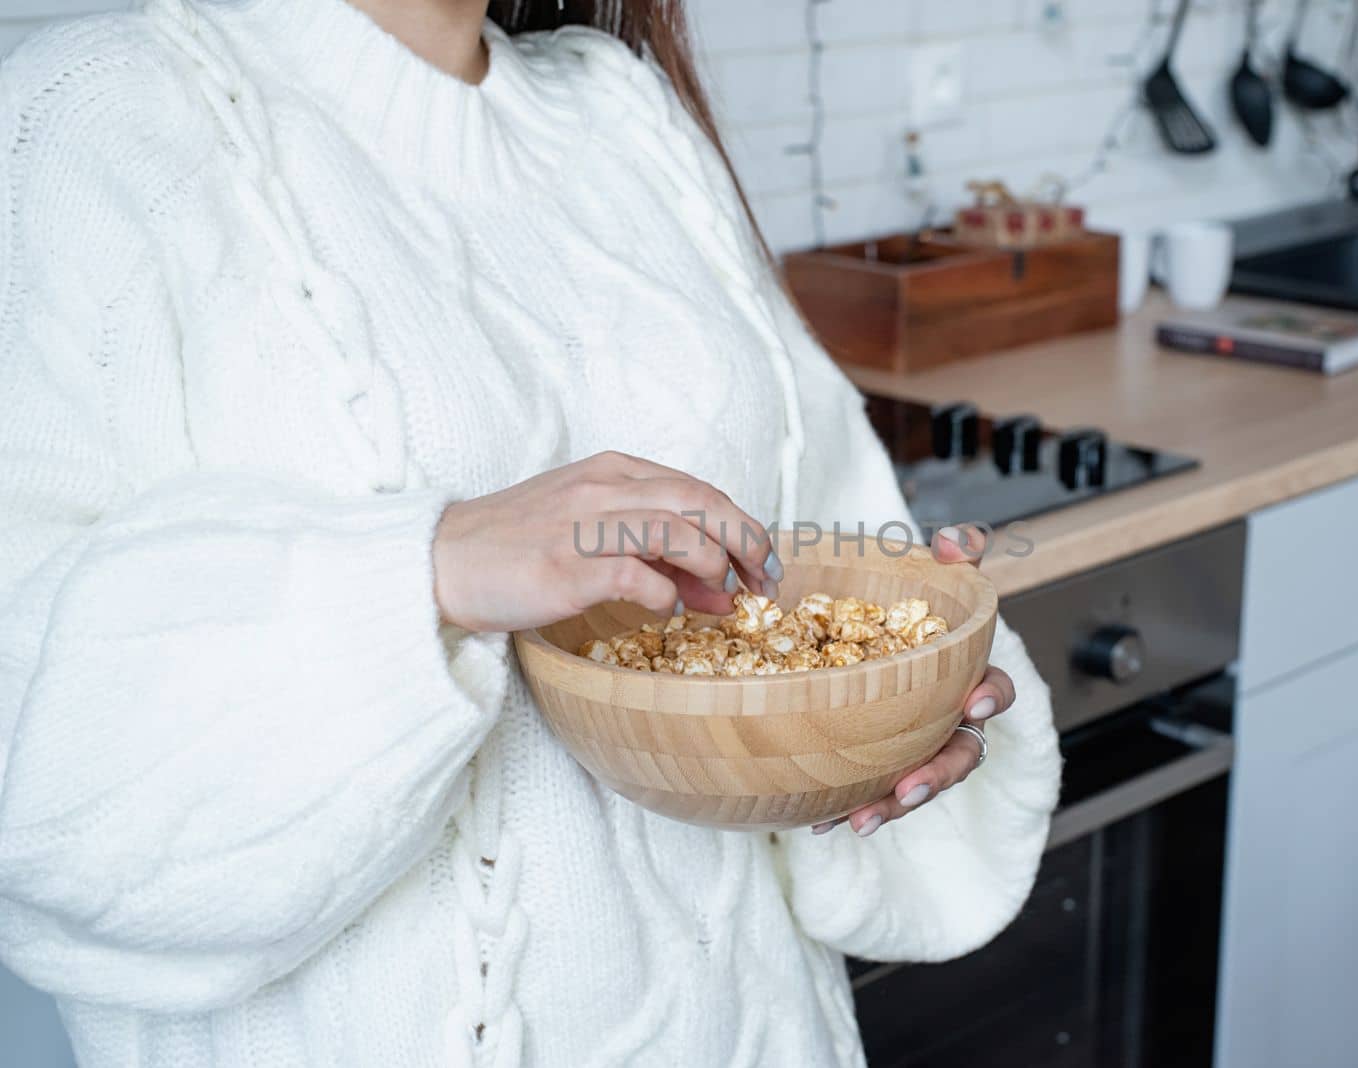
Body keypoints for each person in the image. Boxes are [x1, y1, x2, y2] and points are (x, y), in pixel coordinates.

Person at [0, 1, 1062, 1064]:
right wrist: (430, 570)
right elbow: (32, 782)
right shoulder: (85, 114)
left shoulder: (621, 111)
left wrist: (886, 713)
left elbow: (814, 564)